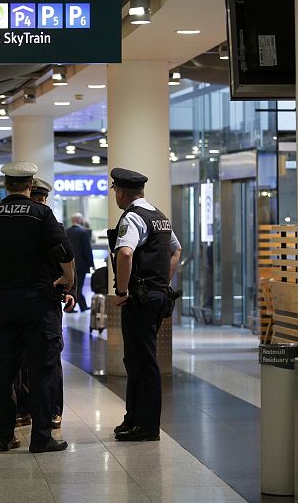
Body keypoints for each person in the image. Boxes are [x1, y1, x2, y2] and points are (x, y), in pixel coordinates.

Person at [0, 162, 75, 454]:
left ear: (6, 184)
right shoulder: (41, 213)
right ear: (30, 184)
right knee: (42, 369)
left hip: (3, 303)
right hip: (38, 303)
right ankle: (41, 437)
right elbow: (65, 251)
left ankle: (4, 436)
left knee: (5, 371)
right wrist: (67, 281)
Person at [109, 168, 182, 442]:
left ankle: (147, 425)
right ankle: (134, 418)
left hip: (140, 298)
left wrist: (122, 289)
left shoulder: (133, 217)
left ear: (122, 191)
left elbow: (125, 253)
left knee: (143, 362)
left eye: (115, 190)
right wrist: (163, 281)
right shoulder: (159, 216)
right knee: (137, 359)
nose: (115, 194)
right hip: (157, 296)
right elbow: (177, 250)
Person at [23, 177, 76, 430]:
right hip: (24, 296)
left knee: (50, 357)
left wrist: (70, 289)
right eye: (35, 198)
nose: (40, 203)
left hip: (48, 298)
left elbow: (67, 260)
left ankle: (54, 410)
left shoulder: (55, 226)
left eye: (42, 198)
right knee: (21, 359)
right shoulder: (17, 227)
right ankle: (24, 409)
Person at [67, 213, 94, 312]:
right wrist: (91, 263)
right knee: (79, 287)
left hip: (69, 264)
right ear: (79, 220)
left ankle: (77, 307)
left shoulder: (66, 231)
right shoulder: (83, 232)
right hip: (81, 265)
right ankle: (75, 307)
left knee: (71, 286)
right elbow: (87, 250)